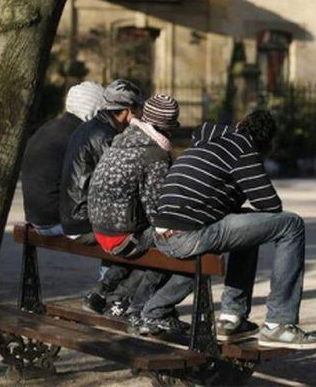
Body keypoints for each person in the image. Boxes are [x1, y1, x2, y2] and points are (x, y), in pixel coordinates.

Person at [153, 109, 316, 349]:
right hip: (188, 235)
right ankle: (279, 324)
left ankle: (232, 318)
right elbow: (271, 205)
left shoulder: (210, 141)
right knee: (291, 224)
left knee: (252, 225)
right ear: (266, 143)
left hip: (164, 233)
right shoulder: (243, 148)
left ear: (241, 124)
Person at [89, 94, 193, 334]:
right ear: (167, 128)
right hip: (122, 238)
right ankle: (144, 309)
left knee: (160, 239)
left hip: (100, 231)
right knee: (173, 241)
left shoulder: (122, 139)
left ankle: (110, 291)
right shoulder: (154, 153)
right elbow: (158, 211)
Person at [59, 78, 144, 313]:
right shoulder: (107, 137)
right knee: (142, 239)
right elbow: (120, 184)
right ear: (128, 111)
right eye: (138, 109)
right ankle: (113, 298)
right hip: (84, 222)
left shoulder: (88, 127)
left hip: (73, 215)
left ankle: (108, 294)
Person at [21, 81, 104, 236]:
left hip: (36, 217)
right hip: (56, 220)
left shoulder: (50, 127)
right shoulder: (80, 136)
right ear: (95, 108)